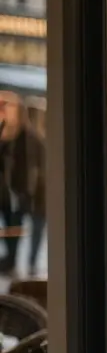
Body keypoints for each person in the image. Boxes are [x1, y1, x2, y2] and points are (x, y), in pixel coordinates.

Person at [0, 93, 44, 277]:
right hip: (8, 194)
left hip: (27, 193)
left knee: (27, 228)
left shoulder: (30, 138)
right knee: (10, 228)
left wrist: (29, 192)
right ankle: (10, 261)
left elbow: (34, 166)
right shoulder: (5, 137)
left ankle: (23, 263)